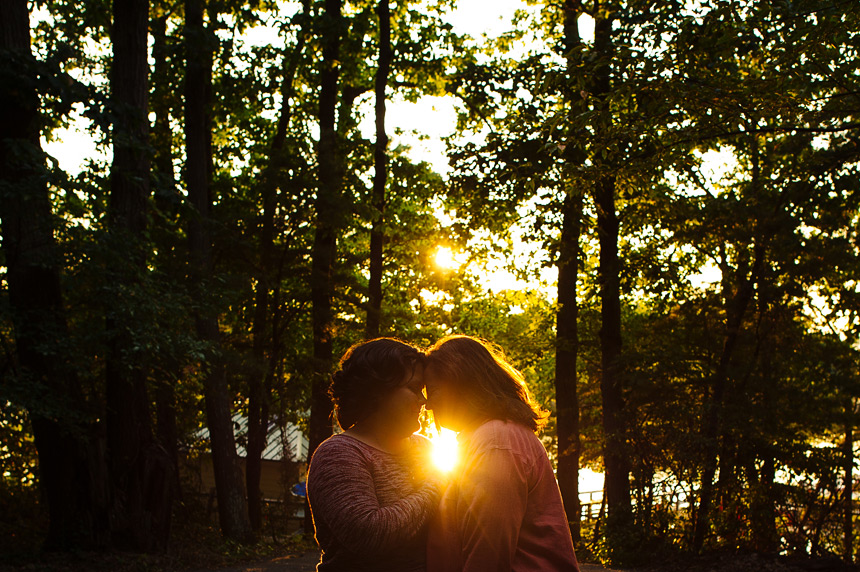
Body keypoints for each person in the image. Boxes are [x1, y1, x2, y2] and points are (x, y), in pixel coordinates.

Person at [424, 335, 581, 572]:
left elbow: (487, 554)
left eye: (433, 390)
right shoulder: (486, 437)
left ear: (461, 384)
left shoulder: (495, 442)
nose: (428, 405)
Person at [307, 338, 443, 572]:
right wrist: (437, 486)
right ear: (378, 391)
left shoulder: (426, 449)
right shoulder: (339, 455)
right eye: (414, 389)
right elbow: (368, 535)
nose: (424, 401)